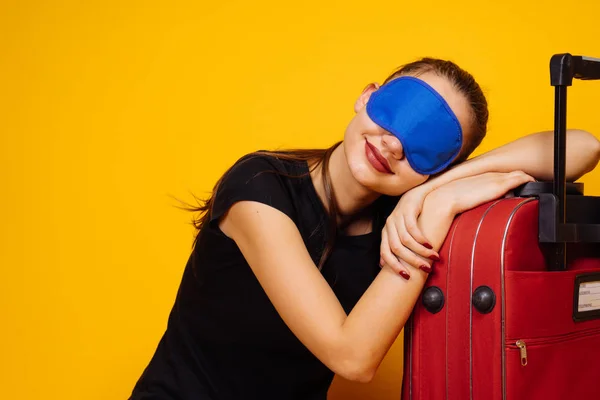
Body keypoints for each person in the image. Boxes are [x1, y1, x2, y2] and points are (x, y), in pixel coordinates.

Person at [129, 58, 600, 400]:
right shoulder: (259, 187)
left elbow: (583, 147)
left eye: (428, 144)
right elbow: (351, 356)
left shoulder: (403, 209)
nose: (394, 143)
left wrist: (435, 191)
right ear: (366, 96)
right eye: (399, 112)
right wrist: (436, 209)